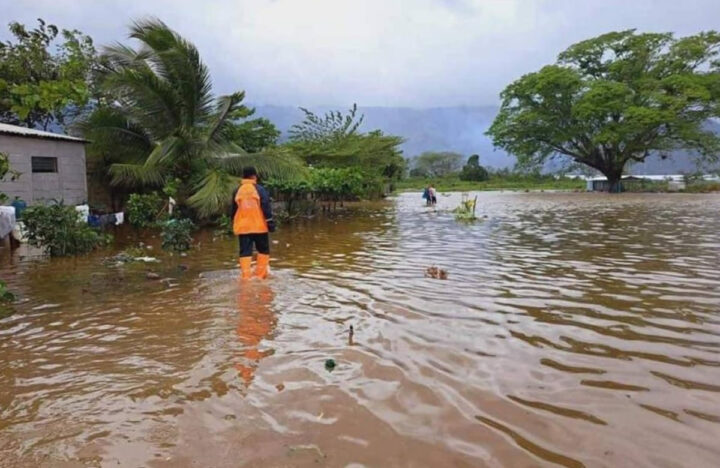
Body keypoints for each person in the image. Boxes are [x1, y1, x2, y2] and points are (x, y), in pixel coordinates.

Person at [231, 166, 276, 279]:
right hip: (260, 226)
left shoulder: (237, 190)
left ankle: (246, 277)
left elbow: (233, 210)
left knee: (245, 252)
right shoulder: (260, 189)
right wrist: (270, 222)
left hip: (243, 227)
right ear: (254, 176)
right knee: (263, 250)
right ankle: (260, 276)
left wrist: (233, 223)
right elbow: (265, 206)